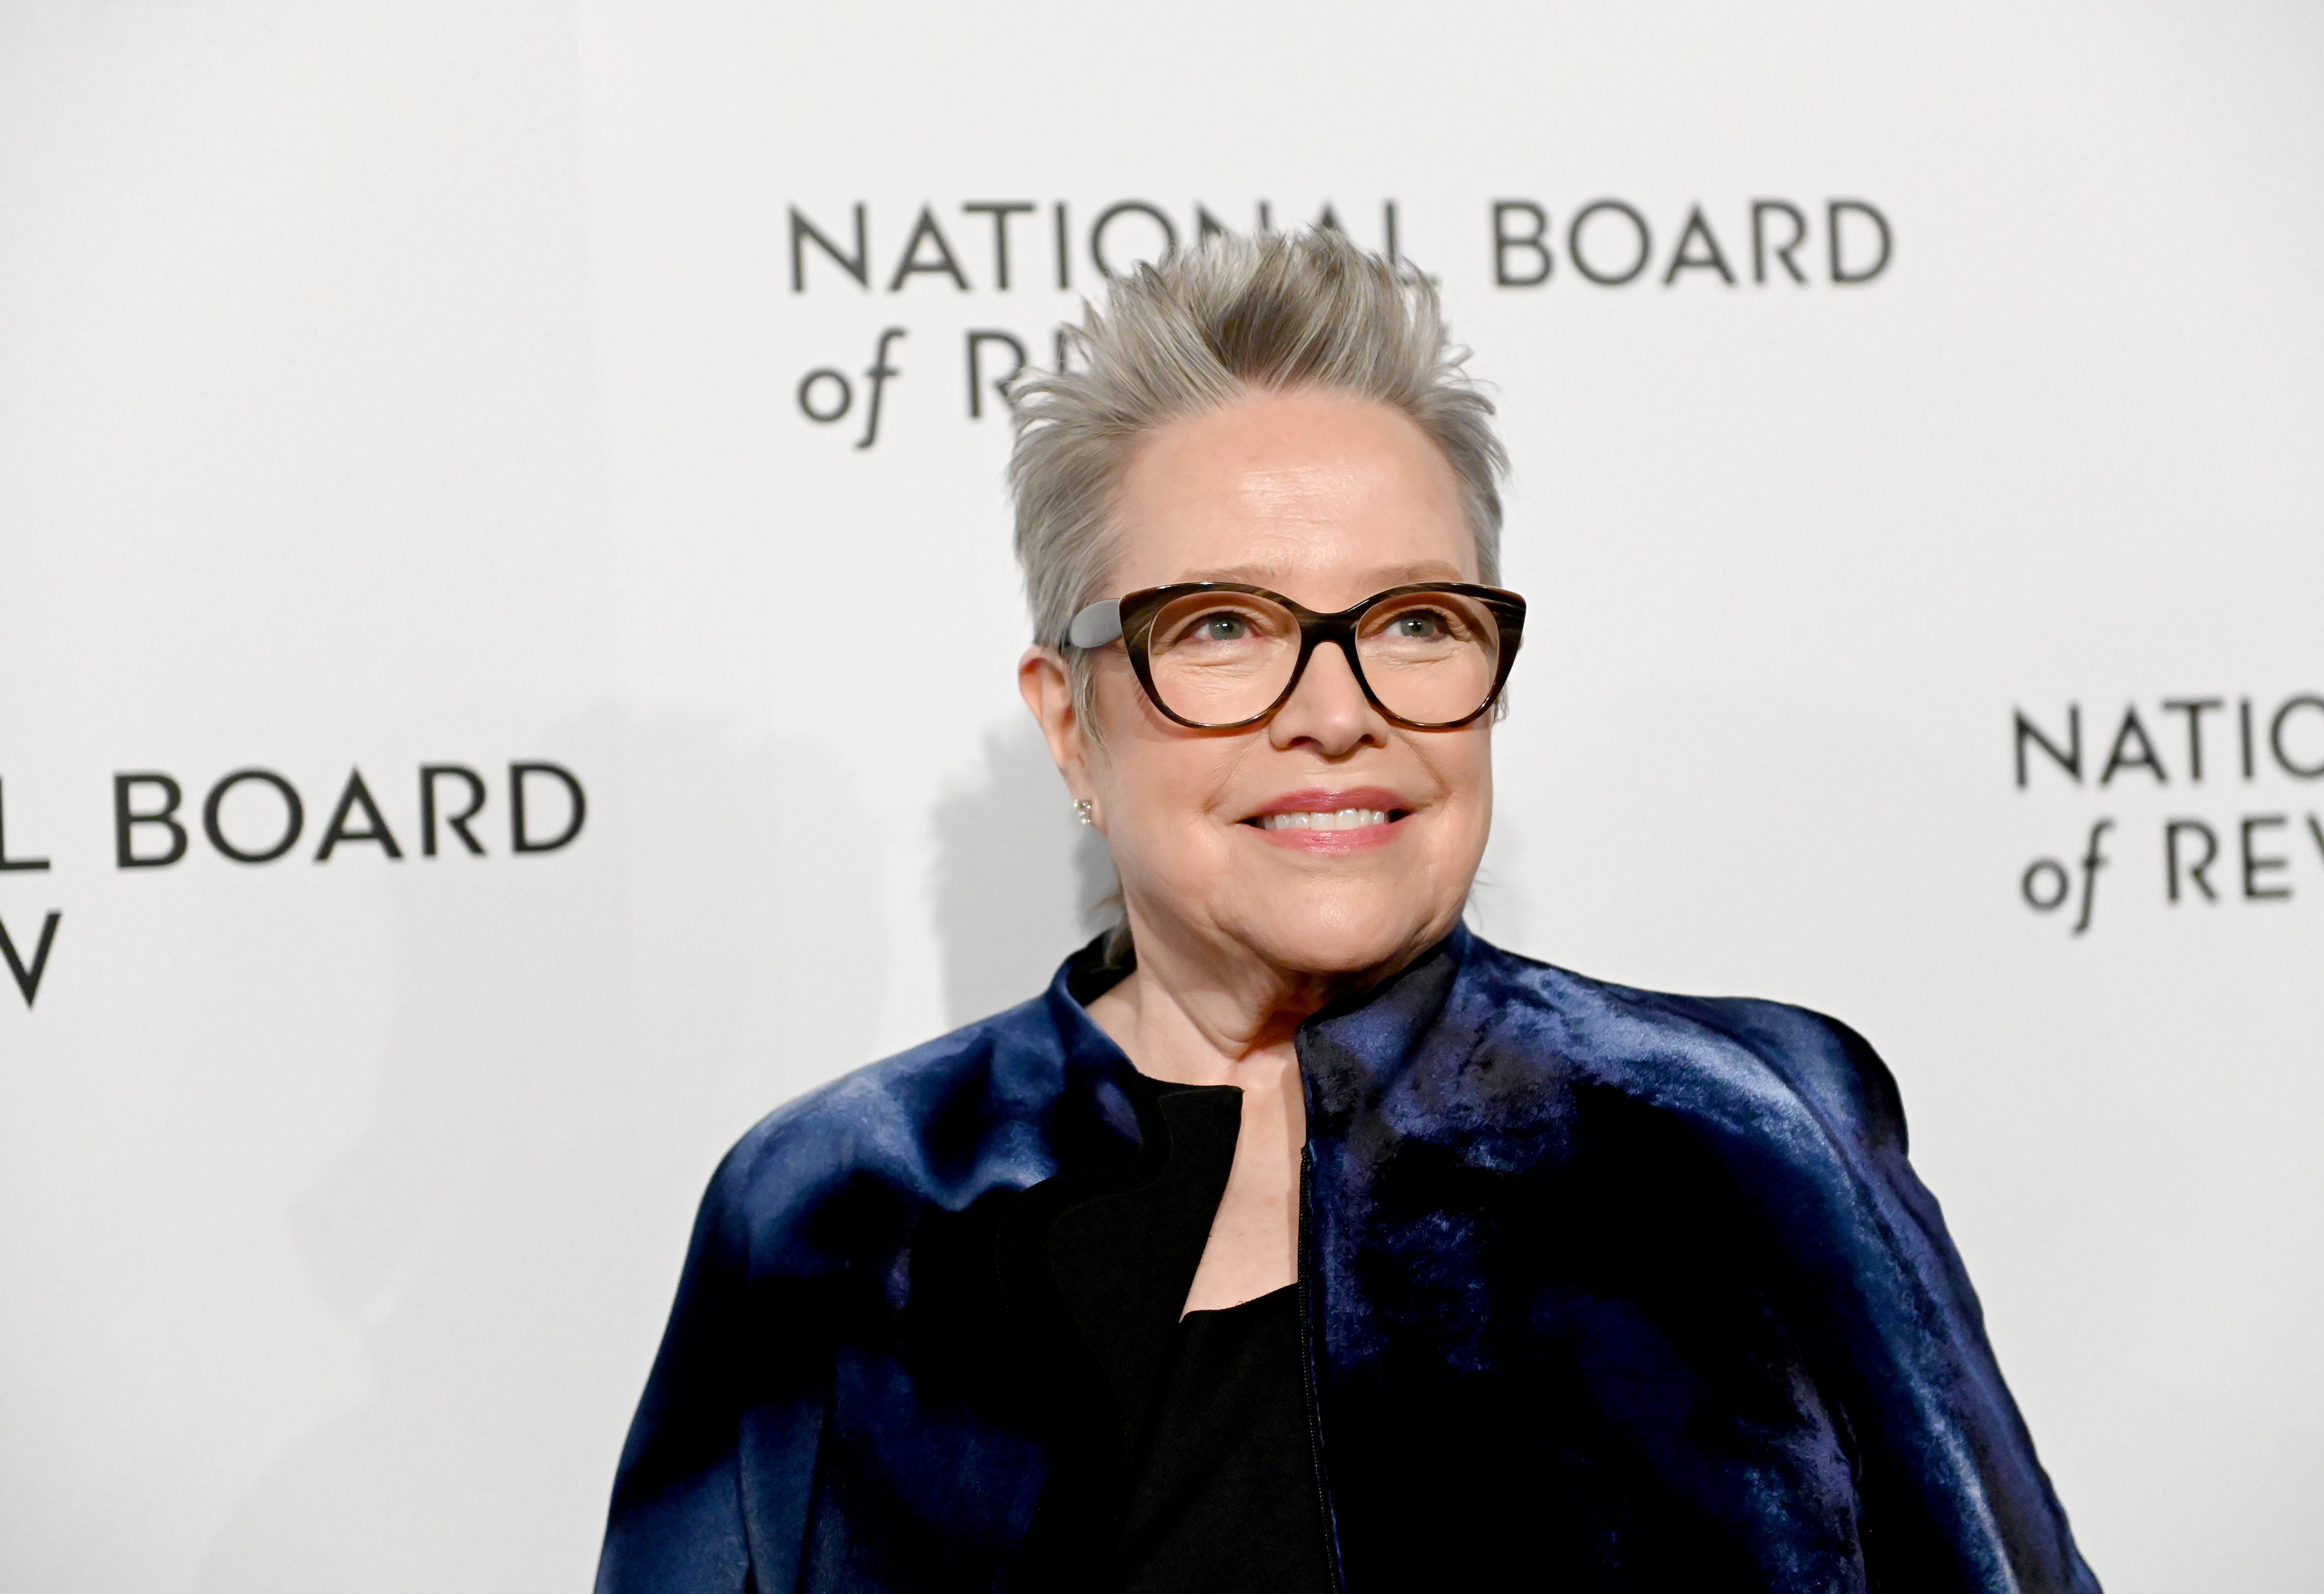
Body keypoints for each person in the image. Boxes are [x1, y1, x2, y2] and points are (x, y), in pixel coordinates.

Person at [596, 229, 2099, 1594]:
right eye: (1225, 627)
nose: (1338, 713)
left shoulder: (1742, 1139)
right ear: (1072, 725)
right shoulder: (847, 1211)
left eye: (1414, 623)